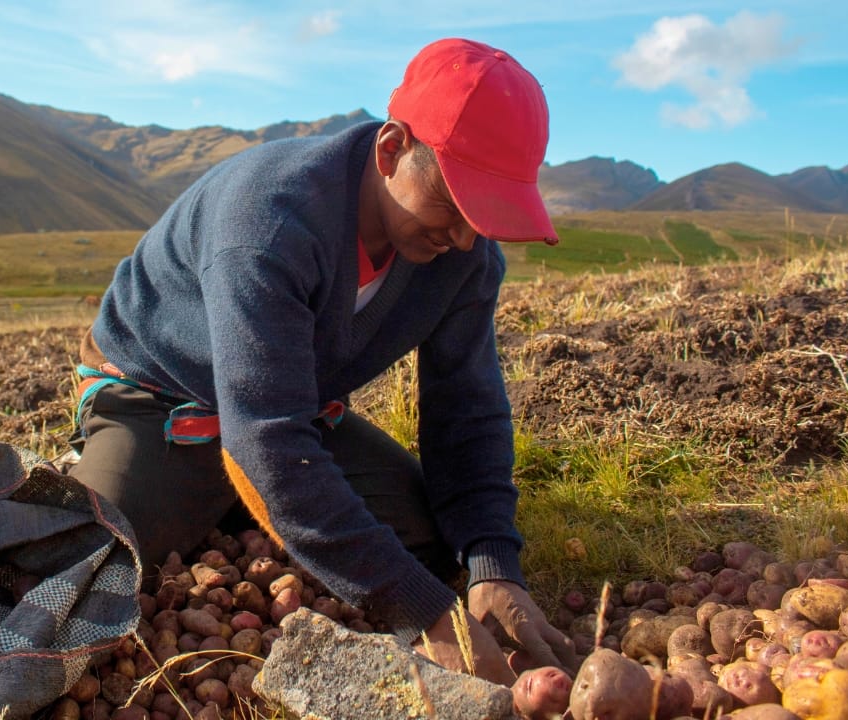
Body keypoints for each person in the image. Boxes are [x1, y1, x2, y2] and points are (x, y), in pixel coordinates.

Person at [65, 38, 576, 685]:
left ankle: (252, 508)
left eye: (486, 215)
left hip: (286, 404)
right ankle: (143, 471)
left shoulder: (465, 258)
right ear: (392, 150)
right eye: (455, 204)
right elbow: (270, 444)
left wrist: (493, 565)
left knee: (431, 540)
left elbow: (466, 415)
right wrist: (427, 617)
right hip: (162, 399)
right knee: (90, 568)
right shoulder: (269, 221)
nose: (467, 237)